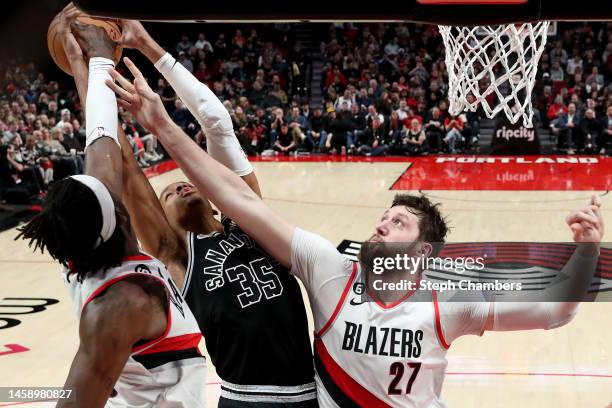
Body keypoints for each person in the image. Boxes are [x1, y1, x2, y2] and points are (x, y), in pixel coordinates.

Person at [109, 50, 604, 408]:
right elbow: (237, 197)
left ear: (424, 251)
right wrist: (162, 126)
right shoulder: (330, 270)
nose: (382, 224)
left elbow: (555, 310)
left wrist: (585, 251)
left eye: (398, 221)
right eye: (383, 217)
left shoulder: (449, 299)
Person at [110, 20, 317, 407]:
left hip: (310, 393)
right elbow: (126, 170)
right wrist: (98, 81)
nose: (179, 186)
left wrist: (146, 44)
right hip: (245, 398)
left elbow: (217, 124)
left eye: (183, 184)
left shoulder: (251, 223)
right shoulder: (177, 254)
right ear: (163, 222)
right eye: (168, 193)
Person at [16, 6, 205, 407]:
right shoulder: (121, 305)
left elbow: (101, 137)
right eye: (113, 197)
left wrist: (92, 60)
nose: (113, 188)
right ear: (118, 218)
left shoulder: (94, 241)